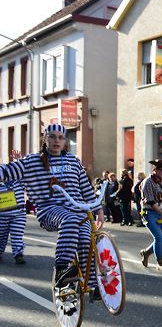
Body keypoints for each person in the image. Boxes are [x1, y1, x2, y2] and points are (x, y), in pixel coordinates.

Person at [0, 123, 103, 288]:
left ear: (65, 141)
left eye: (61, 137)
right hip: (50, 210)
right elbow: (5, 172)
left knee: (86, 241)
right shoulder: (31, 161)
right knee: (70, 220)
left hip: (79, 211)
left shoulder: (73, 161)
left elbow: (86, 189)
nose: (57, 140)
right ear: (45, 138)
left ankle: (91, 285)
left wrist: (98, 210)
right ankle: (62, 269)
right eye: (52, 136)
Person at [139, 159, 162, 271]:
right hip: (150, 213)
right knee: (158, 237)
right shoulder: (147, 182)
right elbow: (151, 202)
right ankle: (160, 262)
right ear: (155, 169)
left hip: (161, 213)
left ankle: (146, 253)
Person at [0, 164, 26, 264]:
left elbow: (24, 174)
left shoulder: (18, 182)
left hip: (18, 214)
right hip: (2, 216)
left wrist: (17, 161)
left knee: (17, 235)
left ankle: (18, 254)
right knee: (1, 237)